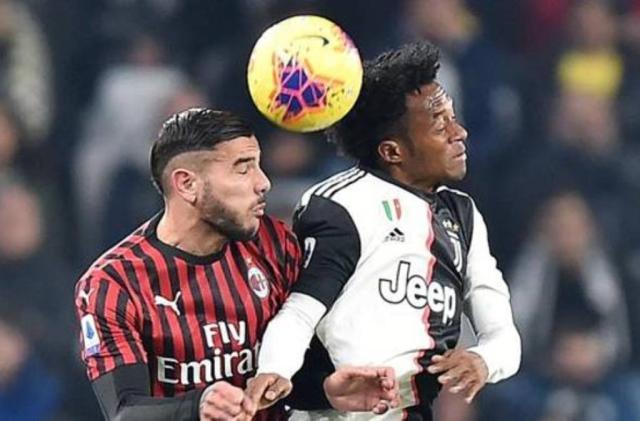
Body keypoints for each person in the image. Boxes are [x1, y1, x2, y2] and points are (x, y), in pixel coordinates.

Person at [249, 41, 522, 420]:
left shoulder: (463, 215)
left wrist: (483, 360)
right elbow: (299, 312)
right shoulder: (343, 204)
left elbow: (504, 336)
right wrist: (274, 370)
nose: (459, 132)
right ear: (393, 151)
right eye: (439, 123)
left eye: (453, 117)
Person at [74, 108, 399, 420]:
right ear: (187, 184)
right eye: (243, 169)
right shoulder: (114, 282)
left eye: (258, 165)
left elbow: (282, 379)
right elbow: (124, 411)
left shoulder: (275, 245)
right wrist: (198, 406)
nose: (263, 182)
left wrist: (326, 389)